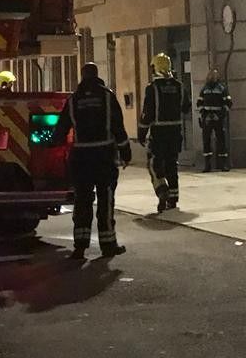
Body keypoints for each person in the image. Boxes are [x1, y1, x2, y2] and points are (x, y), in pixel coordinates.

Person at [52, 62, 130, 258]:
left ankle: (80, 246)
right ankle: (108, 244)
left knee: (82, 201)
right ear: (97, 75)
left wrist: (53, 144)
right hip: (104, 156)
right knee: (106, 201)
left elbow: (62, 128)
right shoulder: (107, 96)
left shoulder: (74, 99)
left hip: (81, 158)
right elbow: (118, 126)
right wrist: (125, 151)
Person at [139, 53, 189, 211]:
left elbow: (147, 113)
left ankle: (162, 190)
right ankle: (173, 199)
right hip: (175, 132)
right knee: (172, 165)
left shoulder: (152, 88)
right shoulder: (179, 86)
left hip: (159, 133)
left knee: (154, 164)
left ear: (156, 67)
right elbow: (186, 107)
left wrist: (141, 133)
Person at [197, 66, 232, 172]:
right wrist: (205, 115)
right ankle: (207, 165)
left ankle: (223, 164)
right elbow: (199, 103)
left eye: (215, 75)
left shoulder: (222, 88)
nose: (213, 77)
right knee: (206, 141)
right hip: (207, 118)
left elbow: (228, 103)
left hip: (218, 118)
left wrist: (220, 115)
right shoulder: (204, 89)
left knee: (221, 140)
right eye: (211, 75)